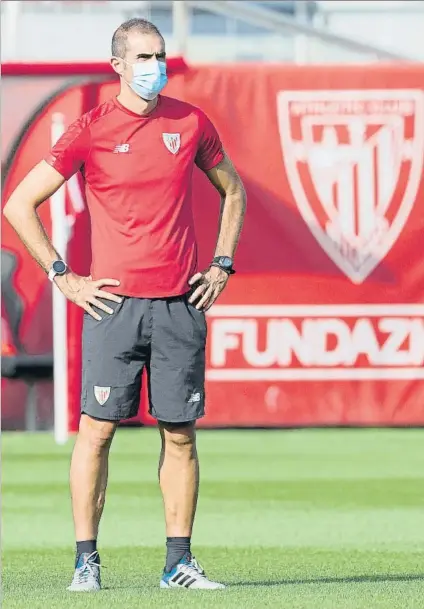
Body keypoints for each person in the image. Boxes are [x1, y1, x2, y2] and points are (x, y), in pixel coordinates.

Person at [4, 18, 246, 592]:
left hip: (178, 306)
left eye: (159, 55)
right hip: (113, 308)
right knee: (97, 432)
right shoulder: (91, 129)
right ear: (118, 65)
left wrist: (221, 264)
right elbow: (19, 204)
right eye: (142, 57)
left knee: (180, 434)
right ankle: (86, 563)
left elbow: (232, 190)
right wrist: (63, 276)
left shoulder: (190, 122)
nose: (154, 65)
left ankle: (178, 564)